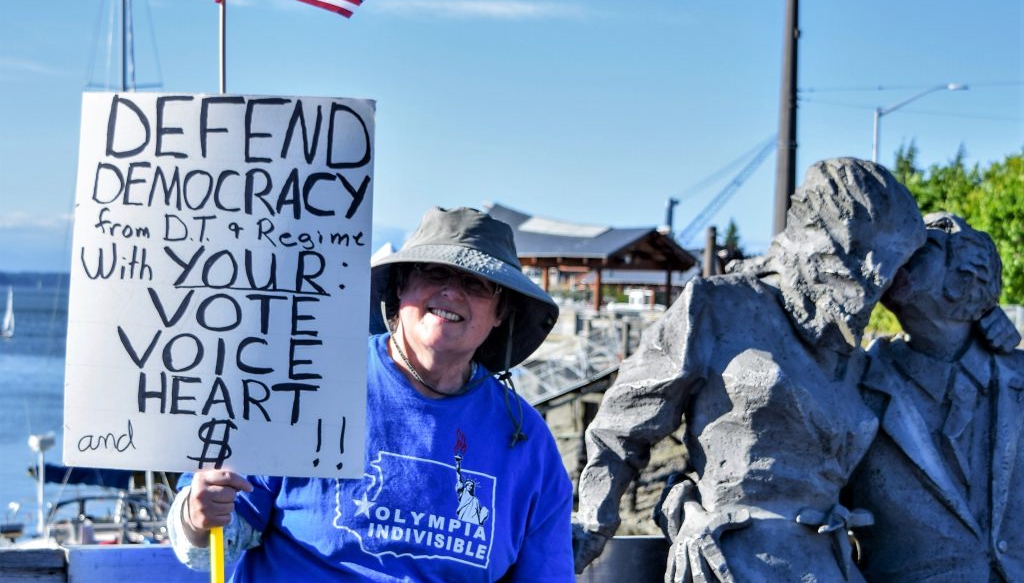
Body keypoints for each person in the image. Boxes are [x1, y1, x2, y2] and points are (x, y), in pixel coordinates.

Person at [167, 206, 574, 582]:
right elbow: (210, 546)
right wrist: (197, 516)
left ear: (501, 313)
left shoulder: (528, 442)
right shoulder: (302, 380)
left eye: (475, 283)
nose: (451, 292)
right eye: (434, 273)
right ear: (401, 286)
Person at [572, 158, 927, 582]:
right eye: (861, 255)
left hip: (826, 566)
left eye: (889, 265)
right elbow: (622, 424)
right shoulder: (717, 306)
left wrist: (983, 323)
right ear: (818, 236)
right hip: (729, 564)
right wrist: (592, 525)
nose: (875, 276)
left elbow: (953, 258)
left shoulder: (854, 359)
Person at [847, 212, 1023, 582]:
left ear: (962, 279)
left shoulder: (1017, 377)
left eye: (920, 252)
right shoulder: (856, 382)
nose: (896, 259)